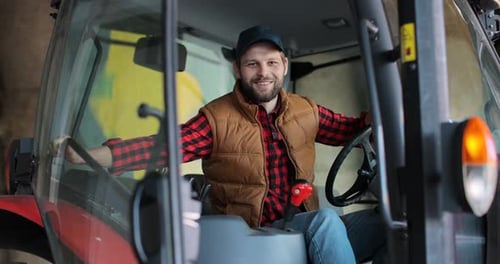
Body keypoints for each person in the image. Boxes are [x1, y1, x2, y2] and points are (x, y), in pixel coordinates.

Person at [62, 25, 386, 263]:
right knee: (327, 221)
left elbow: (355, 131)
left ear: (284, 66)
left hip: (299, 226)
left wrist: (385, 118)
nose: (264, 72)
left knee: (388, 225)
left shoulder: (306, 110)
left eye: (272, 63)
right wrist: (89, 155)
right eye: (253, 64)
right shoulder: (217, 118)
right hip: (253, 238)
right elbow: (164, 146)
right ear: (238, 69)